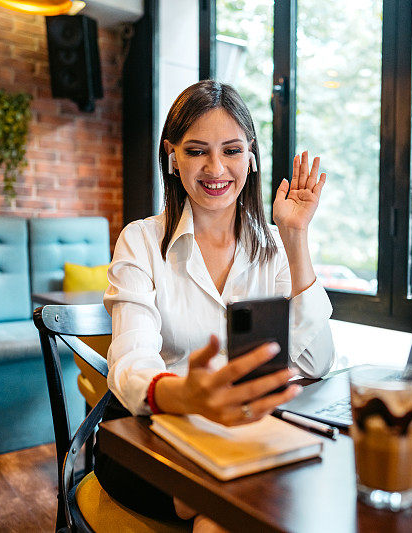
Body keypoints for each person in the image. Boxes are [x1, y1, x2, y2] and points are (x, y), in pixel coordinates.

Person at [94, 80, 335, 531]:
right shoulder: (141, 241)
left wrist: (296, 237)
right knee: (227, 510)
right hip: (148, 434)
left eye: (231, 150)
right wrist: (184, 394)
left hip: (241, 431)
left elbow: (317, 361)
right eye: (196, 150)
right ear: (172, 156)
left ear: (251, 155)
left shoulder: (275, 245)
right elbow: (130, 359)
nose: (215, 168)